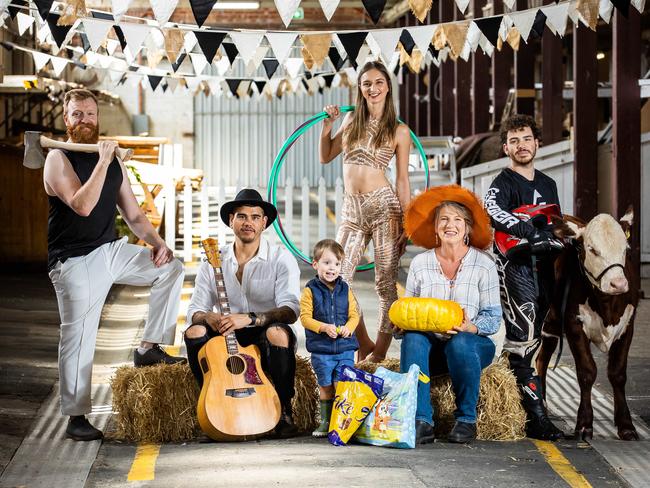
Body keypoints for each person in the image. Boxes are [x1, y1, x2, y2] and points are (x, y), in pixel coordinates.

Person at [44, 88, 185, 442]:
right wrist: (104, 161)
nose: (85, 120)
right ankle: (76, 415)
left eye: (90, 114)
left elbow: (134, 214)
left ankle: (149, 348)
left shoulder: (112, 161)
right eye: (77, 114)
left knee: (171, 267)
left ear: (97, 117)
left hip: (110, 251)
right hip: (74, 261)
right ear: (66, 119)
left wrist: (157, 243)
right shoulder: (57, 159)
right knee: (78, 337)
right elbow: (82, 205)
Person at [184, 189, 301, 438]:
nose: (248, 222)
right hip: (224, 332)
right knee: (194, 332)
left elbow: (291, 310)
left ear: (264, 223)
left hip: (260, 329)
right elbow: (194, 310)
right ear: (231, 221)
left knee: (278, 334)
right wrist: (209, 317)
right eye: (241, 216)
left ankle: (283, 411)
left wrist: (249, 318)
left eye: (255, 217)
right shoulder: (214, 260)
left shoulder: (280, 259)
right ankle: (209, 405)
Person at [319, 60, 412, 363]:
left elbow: (401, 180)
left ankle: (379, 356)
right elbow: (326, 156)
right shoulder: (350, 121)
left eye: (378, 83)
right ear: (360, 88)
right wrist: (327, 126)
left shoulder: (399, 131)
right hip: (352, 210)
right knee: (336, 280)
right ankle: (364, 341)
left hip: (385, 208)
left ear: (387, 87)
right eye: (366, 83)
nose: (373, 89)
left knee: (385, 283)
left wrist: (408, 223)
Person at [399, 185, 502, 444]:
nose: (450, 225)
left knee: (460, 342)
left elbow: (493, 317)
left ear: (467, 228)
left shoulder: (484, 264)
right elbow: (410, 309)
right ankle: (421, 420)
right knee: (412, 338)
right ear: (435, 228)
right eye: (443, 219)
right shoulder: (421, 263)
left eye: (458, 220)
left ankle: (466, 420)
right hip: (433, 349)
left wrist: (471, 327)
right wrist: (399, 325)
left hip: (472, 346)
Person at [484, 114, 564, 440]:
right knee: (522, 338)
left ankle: (520, 406)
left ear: (537, 143)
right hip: (514, 268)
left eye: (526, 138)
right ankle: (534, 419)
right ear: (506, 147)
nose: (521, 145)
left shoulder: (548, 185)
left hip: (544, 270)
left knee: (536, 341)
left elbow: (555, 227)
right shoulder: (502, 183)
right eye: (514, 140)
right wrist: (527, 230)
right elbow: (493, 211)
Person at [300, 239, 360, 437]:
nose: (332, 268)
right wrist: (324, 327)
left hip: (345, 349)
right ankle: (325, 422)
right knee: (325, 385)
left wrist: (349, 329)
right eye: (326, 263)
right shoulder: (310, 290)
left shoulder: (346, 289)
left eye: (336, 264)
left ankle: (341, 420)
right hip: (322, 350)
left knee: (341, 384)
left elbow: (354, 315)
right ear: (315, 264)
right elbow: (305, 318)